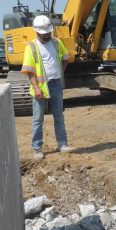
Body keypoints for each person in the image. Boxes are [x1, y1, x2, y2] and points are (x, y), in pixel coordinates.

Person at [21, 15, 72, 160]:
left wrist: (60, 72)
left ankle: (62, 144)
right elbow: (29, 71)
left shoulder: (56, 42)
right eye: (44, 34)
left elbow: (66, 58)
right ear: (36, 32)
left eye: (49, 32)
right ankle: (37, 148)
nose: (47, 35)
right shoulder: (31, 47)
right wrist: (36, 88)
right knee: (38, 119)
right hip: (40, 87)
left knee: (59, 116)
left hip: (55, 84)